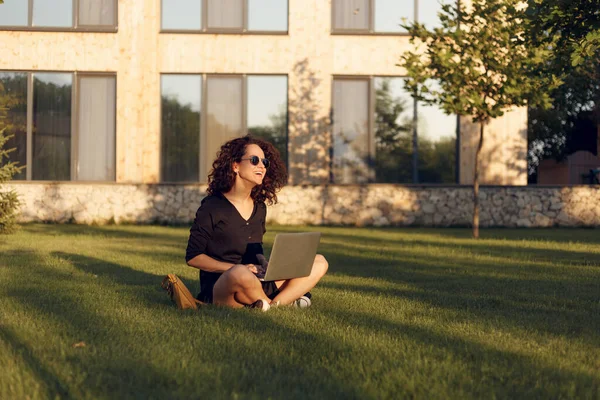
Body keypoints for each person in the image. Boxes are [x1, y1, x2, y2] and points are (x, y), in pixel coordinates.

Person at [185, 135, 328, 311]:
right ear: (235, 166)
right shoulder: (212, 206)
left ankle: (270, 305)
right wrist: (237, 267)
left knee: (319, 261)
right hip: (226, 283)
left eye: (264, 162)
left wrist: (267, 264)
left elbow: (256, 249)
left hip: (257, 279)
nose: (261, 165)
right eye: (254, 160)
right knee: (240, 273)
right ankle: (286, 299)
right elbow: (193, 257)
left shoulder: (259, 206)